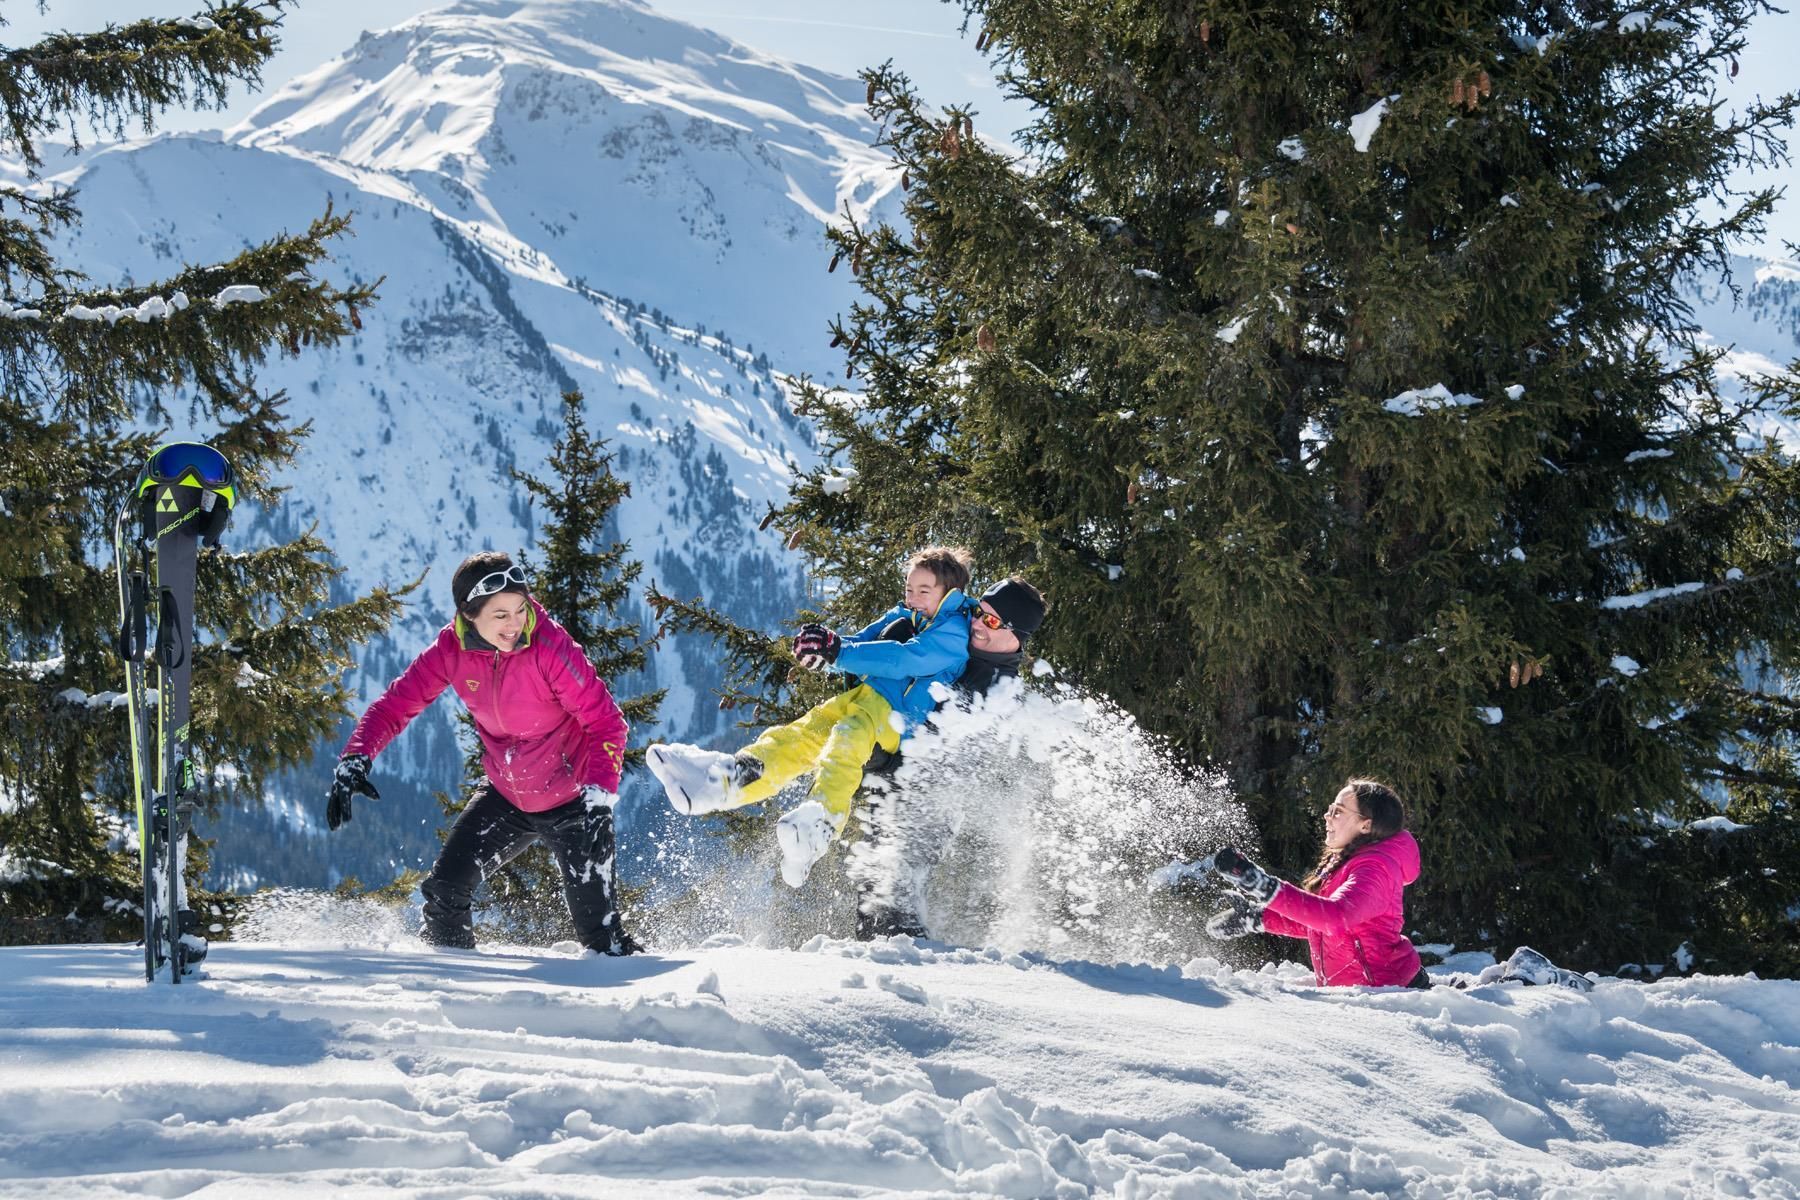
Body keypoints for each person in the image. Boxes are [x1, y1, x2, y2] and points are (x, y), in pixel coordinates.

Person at [324, 551, 635, 954]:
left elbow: (606, 722)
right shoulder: (450, 649)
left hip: (576, 803)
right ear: (469, 615)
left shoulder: (550, 647)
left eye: (520, 609)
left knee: (600, 937)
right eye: (500, 615)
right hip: (507, 795)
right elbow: (395, 705)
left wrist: (598, 800)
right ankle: (454, 986)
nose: (515, 624)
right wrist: (356, 757)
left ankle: (642, 1005)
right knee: (444, 896)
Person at [647, 546, 975, 886]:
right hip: (865, 698)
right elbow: (861, 642)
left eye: (924, 591)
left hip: (899, 719)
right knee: (804, 732)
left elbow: (905, 659)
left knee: (846, 740)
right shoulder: (903, 614)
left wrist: (840, 652)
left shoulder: (953, 632)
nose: (914, 598)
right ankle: (726, 781)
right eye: (909, 589)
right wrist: (827, 649)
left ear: (949, 593)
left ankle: (820, 823)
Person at [855, 576, 1049, 939]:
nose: (977, 623)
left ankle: (910, 969)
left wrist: (885, 760)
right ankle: (887, 970)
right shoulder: (954, 646)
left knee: (893, 896)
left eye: (992, 621)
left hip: (929, 808)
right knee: (873, 896)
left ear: (1017, 635)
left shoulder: (995, 692)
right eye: (979, 612)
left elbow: (947, 764)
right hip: (892, 793)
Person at [1205, 779, 1428, 988]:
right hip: (1364, 994)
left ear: (1365, 825)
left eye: (1338, 811)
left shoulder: (1376, 869)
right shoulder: (1346, 863)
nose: (1326, 816)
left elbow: (1336, 917)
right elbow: (1321, 924)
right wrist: (1259, 918)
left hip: (1390, 997)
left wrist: (1265, 888)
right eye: (1330, 808)